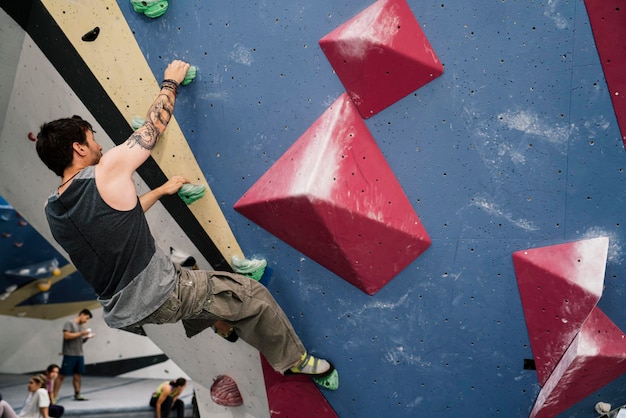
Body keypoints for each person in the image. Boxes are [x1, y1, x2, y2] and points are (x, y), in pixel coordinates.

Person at [35, 59, 337, 390]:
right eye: (92, 140)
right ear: (78, 148)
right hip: (161, 292)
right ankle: (295, 362)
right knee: (252, 295)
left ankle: (221, 322)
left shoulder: (54, 208)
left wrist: (162, 191)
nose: (99, 145)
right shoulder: (105, 171)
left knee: (198, 291)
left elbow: (120, 219)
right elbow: (152, 129)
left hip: (126, 310)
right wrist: (170, 83)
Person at [54, 309, 93, 401]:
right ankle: (54, 396)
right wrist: (81, 333)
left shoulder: (81, 326)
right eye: (86, 318)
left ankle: (77, 394)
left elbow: (79, 340)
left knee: (78, 376)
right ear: (82, 314)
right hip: (69, 354)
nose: (86, 321)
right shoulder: (69, 323)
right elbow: (66, 336)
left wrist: (86, 338)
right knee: (62, 375)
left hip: (79, 354)